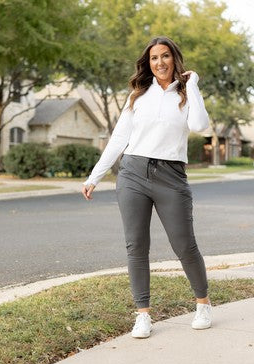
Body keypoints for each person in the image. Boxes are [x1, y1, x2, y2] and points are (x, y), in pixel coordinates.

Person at [81, 36, 211, 338]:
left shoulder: (186, 93)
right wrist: (95, 176)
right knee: (136, 246)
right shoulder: (138, 94)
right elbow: (119, 138)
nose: (160, 63)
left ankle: (202, 304)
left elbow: (200, 126)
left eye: (165, 56)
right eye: (154, 58)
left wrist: (192, 84)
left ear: (174, 59)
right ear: (147, 62)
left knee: (184, 245)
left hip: (171, 176)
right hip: (133, 173)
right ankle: (142, 315)